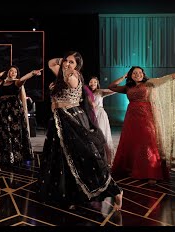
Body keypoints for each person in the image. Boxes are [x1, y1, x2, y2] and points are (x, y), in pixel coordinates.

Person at [38, 52, 123, 211]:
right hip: (58, 121)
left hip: (69, 119)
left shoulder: (72, 77)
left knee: (82, 158)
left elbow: (67, 91)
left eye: (71, 62)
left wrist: (67, 69)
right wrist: (62, 61)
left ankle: (115, 190)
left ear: (77, 65)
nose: (67, 64)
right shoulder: (64, 72)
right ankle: (69, 195)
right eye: (66, 61)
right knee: (63, 159)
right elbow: (51, 63)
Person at [108, 67, 175, 184]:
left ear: (143, 74)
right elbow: (111, 87)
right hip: (131, 118)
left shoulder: (149, 83)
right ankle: (133, 169)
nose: (137, 74)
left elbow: (165, 79)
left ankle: (152, 173)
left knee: (148, 142)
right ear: (130, 75)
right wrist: (123, 77)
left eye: (140, 72)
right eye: (134, 73)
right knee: (133, 143)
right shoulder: (128, 87)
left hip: (146, 116)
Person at [0, 65, 42, 166]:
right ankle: (5, 156)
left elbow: (23, 78)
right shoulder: (2, 82)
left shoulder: (17, 82)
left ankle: (15, 156)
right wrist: (1, 74)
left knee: (13, 133)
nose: (13, 73)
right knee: (3, 132)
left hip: (14, 111)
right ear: (8, 72)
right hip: (3, 111)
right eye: (11, 71)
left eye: (15, 72)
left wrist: (32, 73)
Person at [87, 76, 117, 166]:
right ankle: (96, 158)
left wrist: (122, 79)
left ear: (97, 84)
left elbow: (114, 90)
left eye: (95, 82)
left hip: (100, 114)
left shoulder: (100, 92)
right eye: (91, 82)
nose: (93, 84)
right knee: (92, 136)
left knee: (102, 135)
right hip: (90, 115)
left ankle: (108, 159)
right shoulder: (85, 92)